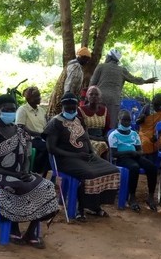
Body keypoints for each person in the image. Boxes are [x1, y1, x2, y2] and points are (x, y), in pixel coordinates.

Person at [0, 95, 60, 248]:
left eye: (13, 110)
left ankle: (31, 232)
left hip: (17, 173)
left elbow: (25, 157)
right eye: (6, 110)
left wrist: (24, 171)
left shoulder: (18, 130)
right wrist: (14, 175)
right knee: (19, 186)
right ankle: (13, 227)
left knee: (46, 186)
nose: (10, 112)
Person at [45, 92, 121, 221]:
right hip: (65, 159)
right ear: (62, 106)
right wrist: (75, 154)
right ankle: (80, 209)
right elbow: (51, 148)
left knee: (112, 170)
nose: (71, 109)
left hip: (85, 156)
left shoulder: (78, 119)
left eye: (73, 106)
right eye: (68, 107)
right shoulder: (55, 122)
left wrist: (92, 152)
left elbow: (85, 138)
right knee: (89, 174)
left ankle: (95, 205)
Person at [89, 49, 158, 128]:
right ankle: (109, 137)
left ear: (109, 57)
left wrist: (88, 96)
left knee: (97, 121)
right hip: (114, 100)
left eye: (107, 56)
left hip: (100, 98)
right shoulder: (122, 70)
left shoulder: (101, 66)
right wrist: (145, 81)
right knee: (111, 123)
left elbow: (92, 83)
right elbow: (134, 79)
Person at [108, 110, 159, 212]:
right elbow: (114, 153)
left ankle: (150, 196)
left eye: (128, 120)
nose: (126, 123)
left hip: (135, 156)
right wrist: (129, 152)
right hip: (122, 158)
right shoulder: (114, 135)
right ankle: (132, 197)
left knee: (152, 167)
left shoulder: (134, 134)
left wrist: (138, 153)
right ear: (119, 120)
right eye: (124, 120)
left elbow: (139, 149)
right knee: (134, 167)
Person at [46, 47, 91, 117]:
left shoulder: (74, 65)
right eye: (86, 60)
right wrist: (68, 100)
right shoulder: (75, 67)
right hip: (65, 97)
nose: (87, 62)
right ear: (82, 57)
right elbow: (69, 84)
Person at [16, 86, 49, 175]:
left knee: (55, 146)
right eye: (37, 96)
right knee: (46, 147)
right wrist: (37, 134)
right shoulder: (22, 110)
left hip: (41, 136)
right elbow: (20, 126)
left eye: (39, 96)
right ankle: (36, 171)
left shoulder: (41, 110)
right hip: (30, 138)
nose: (39, 98)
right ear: (29, 98)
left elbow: (45, 125)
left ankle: (45, 172)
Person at [136, 93, 161, 162]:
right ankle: (145, 161)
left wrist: (157, 135)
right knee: (145, 142)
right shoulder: (147, 107)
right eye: (154, 98)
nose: (153, 100)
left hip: (157, 133)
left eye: (156, 101)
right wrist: (141, 118)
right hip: (144, 132)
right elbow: (137, 122)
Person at [79, 85, 111, 157]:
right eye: (91, 94)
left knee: (106, 144)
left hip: (102, 138)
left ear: (100, 97)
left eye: (96, 94)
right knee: (101, 145)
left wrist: (104, 137)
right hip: (86, 138)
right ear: (87, 96)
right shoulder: (80, 110)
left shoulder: (104, 110)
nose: (94, 96)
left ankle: (105, 166)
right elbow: (80, 130)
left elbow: (107, 128)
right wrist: (97, 139)